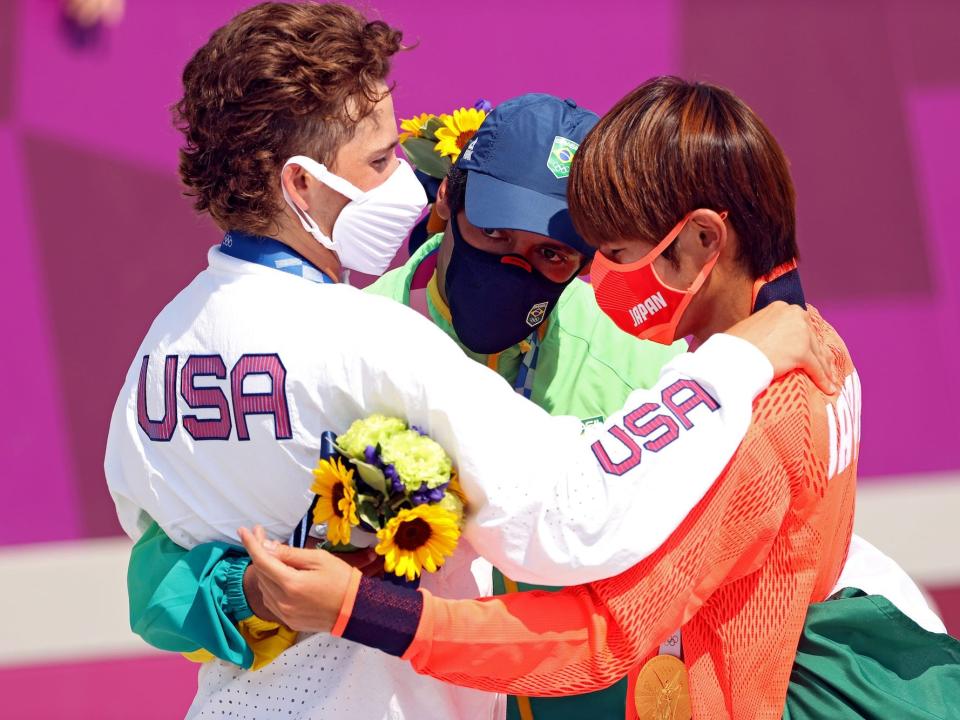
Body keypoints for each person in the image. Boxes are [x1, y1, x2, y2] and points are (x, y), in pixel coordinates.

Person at [104, 4, 832, 718]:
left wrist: (253, 595)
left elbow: (154, 568)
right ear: (301, 185)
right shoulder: (368, 338)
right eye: (383, 159)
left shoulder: (156, 358)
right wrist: (735, 362)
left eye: (554, 253)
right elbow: (570, 517)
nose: (404, 182)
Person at [239, 77, 960, 719]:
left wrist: (363, 611)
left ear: (704, 241)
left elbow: (601, 636)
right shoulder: (813, 344)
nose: (597, 281)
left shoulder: (744, 413)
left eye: (612, 254)